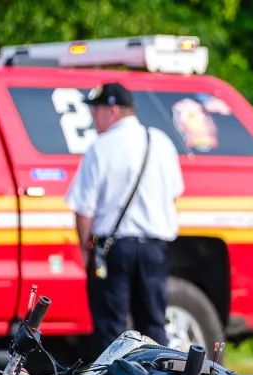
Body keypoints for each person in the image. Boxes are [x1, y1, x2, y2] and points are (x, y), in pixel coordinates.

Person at [65, 82, 184, 355]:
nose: (93, 117)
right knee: (154, 326)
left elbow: (84, 209)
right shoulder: (161, 142)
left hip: (114, 250)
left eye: (96, 110)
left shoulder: (101, 148)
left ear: (113, 110)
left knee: (112, 329)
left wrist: (86, 250)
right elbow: (175, 193)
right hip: (155, 248)